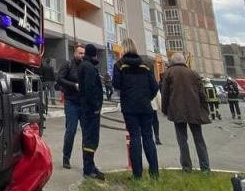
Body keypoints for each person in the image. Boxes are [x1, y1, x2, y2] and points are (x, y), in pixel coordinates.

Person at [112, 38, 160, 178]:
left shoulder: (120, 65)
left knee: (134, 137)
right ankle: (154, 173)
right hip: (145, 106)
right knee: (148, 137)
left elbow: (117, 84)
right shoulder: (145, 64)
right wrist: (146, 98)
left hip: (129, 107)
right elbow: (155, 86)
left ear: (123, 49)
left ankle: (137, 174)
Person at [160, 52, 210, 172]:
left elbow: (165, 93)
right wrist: (205, 109)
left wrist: (164, 109)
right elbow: (202, 94)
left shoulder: (169, 73)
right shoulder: (193, 73)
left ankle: (187, 167)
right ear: (183, 61)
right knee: (199, 139)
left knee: (182, 140)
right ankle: (205, 168)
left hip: (177, 110)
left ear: (172, 62)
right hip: (195, 110)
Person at [77, 43, 105, 180]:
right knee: (90, 139)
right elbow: (89, 89)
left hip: (88, 108)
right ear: (94, 54)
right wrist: (95, 106)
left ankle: (91, 165)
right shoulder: (88, 67)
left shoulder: (86, 66)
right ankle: (88, 169)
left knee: (91, 138)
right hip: (90, 109)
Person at [57, 44, 85, 170]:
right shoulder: (68, 64)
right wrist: (74, 85)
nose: (82, 55)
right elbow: (59, 79)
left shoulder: (85, 66)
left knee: (87, 132)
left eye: (83, 53)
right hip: (71, 102)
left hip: (83, 104)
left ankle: (88, 161)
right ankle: (66, 157)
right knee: (71, 131)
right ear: (75, 53)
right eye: (80, 53)